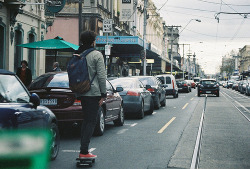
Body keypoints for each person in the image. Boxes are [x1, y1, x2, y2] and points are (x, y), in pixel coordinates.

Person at [75, 31, 106, 159]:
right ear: (93, 41)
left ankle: (83, 149)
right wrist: (103, 94)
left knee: (86, 120)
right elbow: (102, 76)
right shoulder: (96, 55)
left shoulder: (79, 53)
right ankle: (84, 151)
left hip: (82, 92)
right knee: (91, 121)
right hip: (93, 93)